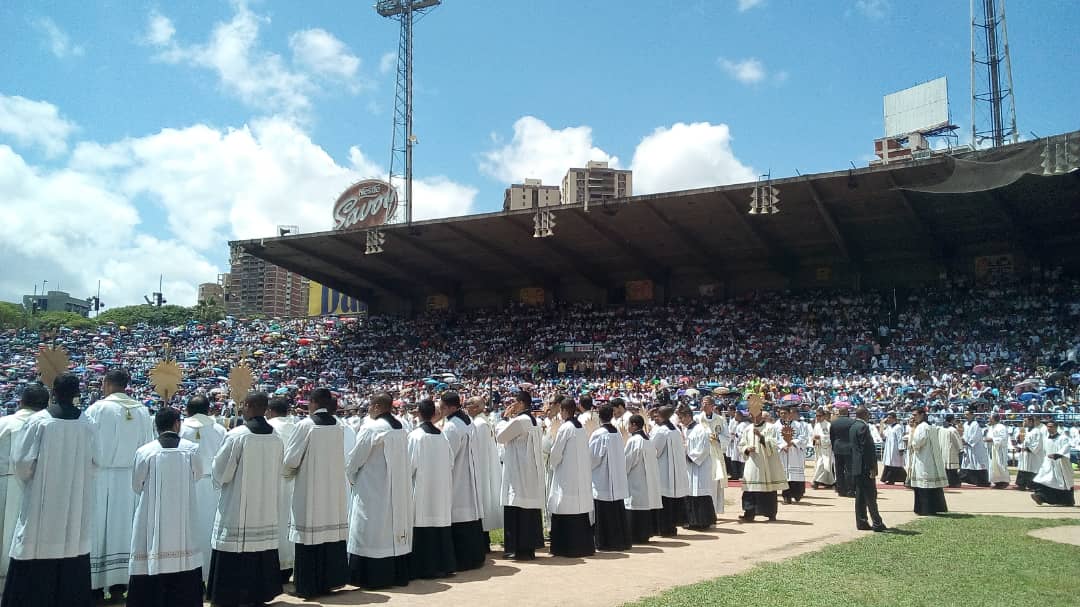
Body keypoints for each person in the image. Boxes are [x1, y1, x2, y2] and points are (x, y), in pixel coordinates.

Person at [0, 374, 96, 607]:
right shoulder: (87, 423)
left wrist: (35, 482)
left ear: (53, 392)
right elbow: (95, 461)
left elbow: (22, 462)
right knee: (72, 542)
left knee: (34, 540)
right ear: (77, 394)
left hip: (42, 497)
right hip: (75, 496)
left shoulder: (40, 421)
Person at [206, 391, 285, 607]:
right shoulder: (276, 436)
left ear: (249, 405)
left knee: (235, 548)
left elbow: (222, 471)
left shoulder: (238, 435)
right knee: (260, 549)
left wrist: (216, 479)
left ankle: (231, 596)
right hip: (265, 504)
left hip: (238, 503)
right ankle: (259, 593)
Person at [84, 368, 154, 600]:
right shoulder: (143, 411)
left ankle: (95, 587)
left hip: (100, 477)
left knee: (99, 530)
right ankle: (120, 586)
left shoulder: (98, 409)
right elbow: (148, 448)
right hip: (131, 480)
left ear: (106, 383)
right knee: (125, 530)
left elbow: (88, 443)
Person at [126, 408, 204, 607]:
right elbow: (197, 475)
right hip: (183, 517)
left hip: (151, 514)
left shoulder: (145, 451)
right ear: (178, 424)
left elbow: (136, 485)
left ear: (155, 426)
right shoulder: (191, 449)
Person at [282, 388, 349, 599]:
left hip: (310, 488)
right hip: (333, 488)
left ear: (313, 402)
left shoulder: (306, 425)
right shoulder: (338, 425)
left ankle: (308, 584)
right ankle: (329, 581)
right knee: (329, 534)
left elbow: (291, 459)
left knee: (309, 533)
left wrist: (286, 475)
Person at [346, 392, 412, 589]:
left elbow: (355, 459)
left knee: (370, 528)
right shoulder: (401, 427)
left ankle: (369, 576)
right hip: (397, 487)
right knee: (392, 527)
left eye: (370, 406)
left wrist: (351, 476)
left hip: (372, 487)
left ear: (376, 406)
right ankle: (396, 573)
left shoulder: (372, 428)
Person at [0, 382, 49, 592]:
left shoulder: (3, 423)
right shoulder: (48, 425)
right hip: (37, 484)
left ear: (20, 401)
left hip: (4, 481)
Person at [177, 394, 226, 583]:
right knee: (210, 529)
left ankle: (189, 575)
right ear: (208, 410)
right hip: (213, 486)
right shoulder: (220, 430)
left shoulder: (180, 428)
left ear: (188, 410)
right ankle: (211, 574)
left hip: (187, 484)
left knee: (189, 528)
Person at [406, 398, 456, 579]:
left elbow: (408, 466)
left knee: (423, 525)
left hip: (422, 489)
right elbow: (451, 461)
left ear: (418, 413)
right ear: (434, 415)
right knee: (440, 527)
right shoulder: (441, 436)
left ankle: (425, 568)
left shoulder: (415, 436)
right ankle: (444, 565)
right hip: (440, 489)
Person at [494, 391, 546, 561]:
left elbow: (501, 437)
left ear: (522, 403)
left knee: (516, 507)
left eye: (514, 402)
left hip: (518, 473)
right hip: (529, 471)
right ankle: (528, 548)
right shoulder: (535, 421)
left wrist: (504, 418)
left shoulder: (520, 421)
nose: (512, 405)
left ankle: (515, 548)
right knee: (528, 511)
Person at [439, 392, 487, 571]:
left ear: (452, 407)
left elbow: (448, 455)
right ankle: (475, 557)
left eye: (443, 407)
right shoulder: (467, 421)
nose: (441, 410)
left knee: (458, 516)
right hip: (469, 474)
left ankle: (462, 560)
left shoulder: (452, 426)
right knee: (469, 517)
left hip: (458, 476)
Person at [547, 398, 595, 558]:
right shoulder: (579, 427)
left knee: (565, 507)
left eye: (561, 410)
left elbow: (556, 452)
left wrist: (551, 461)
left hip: (567, 475)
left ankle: (565, 547)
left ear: (565, 410)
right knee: (578, 509)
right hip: (580, 474)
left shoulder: (565, 428)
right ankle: (583, 546)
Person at [589, 405, 630, 551]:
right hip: (616, 478)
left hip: (603, 478)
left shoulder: (598, 434)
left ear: (599, 416)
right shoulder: (617, 432)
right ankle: (620, 540)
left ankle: (604, 541)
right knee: (616, 511)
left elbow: (594, 457)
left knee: (603, 511)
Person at [265, 396, 297, 583]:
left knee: (274, 522)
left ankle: (275, 564)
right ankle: (290, 563)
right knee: (290, 522)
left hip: (272, 481)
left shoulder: (269, 429)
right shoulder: (296, 427)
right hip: (293, 480)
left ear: (270, 411)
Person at [466, 396, 503, 550]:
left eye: (469, 404)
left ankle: (483, 542)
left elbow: (478, 451)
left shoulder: (479, 424)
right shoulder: (482, 422)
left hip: (481, 470)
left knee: (482, 503)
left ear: (476, 407)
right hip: (485, 468)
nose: (466, 407)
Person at [738, 407, 787, 522]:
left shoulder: (771, 427)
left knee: (768, 489)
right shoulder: (748, 428)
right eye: (750, 415)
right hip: (752, 462)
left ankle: (770, 513)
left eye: (753, 414)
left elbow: (775, 444)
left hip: (766, 464)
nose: (751, 417)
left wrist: (761, 437)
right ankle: (749, 513)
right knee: (750, 488)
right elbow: (741, 444)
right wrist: (747, 448)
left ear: (760, 415)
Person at [623, 414, 662, 544]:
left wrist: (622, 472)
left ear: (634, 425)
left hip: (635, 479)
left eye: (629, 424)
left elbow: (628, 461)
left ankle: (634, 535)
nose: (627, 427)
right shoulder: (647, 440)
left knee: (634, 506)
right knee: (643, 507)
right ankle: (644, 534)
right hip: (647, 481)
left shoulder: (634, 441)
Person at [652, 406, 689, 535]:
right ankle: (672, 526)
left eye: (657, 414)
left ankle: (664, 527)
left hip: (664, 470)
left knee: (664, 501)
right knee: (672, 501)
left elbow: (655, 450)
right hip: (675, 470)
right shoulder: (676, 430)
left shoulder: (662, 431)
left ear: (662, 415)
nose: (655, 417)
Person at [679, 404, 715, 529]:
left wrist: (690, 457)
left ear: (688, 416)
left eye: (682, 417)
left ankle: (704, 521)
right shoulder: (685, 429)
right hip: (689, 467)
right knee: (690, 493)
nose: (681, 420)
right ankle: (693, 521)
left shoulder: (701, 429)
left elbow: (704, 448)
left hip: (700, 466)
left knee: (700, 493)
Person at [850, 407, 886, 532]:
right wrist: (872, 467)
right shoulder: (863, 427)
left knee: (860, 496)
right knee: (870, 495)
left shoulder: (853, 426)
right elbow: (868, 450)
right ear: (865, 414)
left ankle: (861, 521)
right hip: (865, 467)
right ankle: (877, 522)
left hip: (857, 466)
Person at [907, 408, 948, 515]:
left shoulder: (921, 427)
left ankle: (925, 509)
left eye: (915, 415)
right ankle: (933, 508)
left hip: (923, 460)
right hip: (929, 459)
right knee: (931, 486)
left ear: (922, 415)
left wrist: (912, 434)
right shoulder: (930, 426)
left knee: (923, 485)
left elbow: (917, 443)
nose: (913, 417)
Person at [695, 397, 729, 514]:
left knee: (714, 484)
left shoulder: (719, 419)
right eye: (703, 403)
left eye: (707, 404)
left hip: (715, 455)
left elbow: (727, 437)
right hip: (700, 456)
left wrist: (718, 438)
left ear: (712, 406)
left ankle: (713, 511)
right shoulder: (697, 419)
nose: (704, 405)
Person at [1031, 420, 1075, 506]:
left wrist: (1057, 455)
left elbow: (1066, 448)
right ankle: (1040, 496)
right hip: (1049, 464)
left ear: (1056, 427)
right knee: (1042, 479)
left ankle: (1066, 501)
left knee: (1062, 482)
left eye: (1051, 426)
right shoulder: (1046, 438)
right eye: (1048, 426)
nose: (1049, 428)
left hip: (1061, 464)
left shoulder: (1063, 438)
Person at [777, 405, 808, 504]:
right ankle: (786, 496)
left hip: (795, 453)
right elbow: (773, 439)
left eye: (785, 413)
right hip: (782, 453)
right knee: (785, 477)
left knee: (795, 476)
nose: (783, 415)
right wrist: (782, 446)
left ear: (789, 414)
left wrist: (793, 442)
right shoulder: (776, 426)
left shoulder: (798, 425)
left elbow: (803, 437)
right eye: (781, 413)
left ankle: (797, 493)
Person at [830, 406, 856, 497]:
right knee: (849, 470)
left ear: (839, 413)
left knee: (839, 470)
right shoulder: (852, 422)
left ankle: (840, 489)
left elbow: (832, 437)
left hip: (837, 448)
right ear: (847, 412)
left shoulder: (833, 423)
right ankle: (850, 489)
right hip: (849, 448)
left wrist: (834, 447)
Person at [960, 408, 990, 487]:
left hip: (976, 447)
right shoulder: (965, 424)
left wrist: (968, 442)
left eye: (967, 414)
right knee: (968, 463)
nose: (966, 416)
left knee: (978, 463)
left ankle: (982, 481)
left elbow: (975, 436)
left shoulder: (976, 424)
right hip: (967, 447)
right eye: (965, 414)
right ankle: (968, 479)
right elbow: (964, 434)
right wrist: (963, 440)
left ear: (972, 415)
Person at [1015, 416, 1045, 491]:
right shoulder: (1024, 430)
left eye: (1026, 421)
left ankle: (1032, 486)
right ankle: (1021, 484)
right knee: (1023, 467)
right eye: (1024, 421)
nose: (1024, 423)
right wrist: (1019, 444)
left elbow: (1037, 444)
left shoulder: (1037, 431)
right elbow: (1021, 442)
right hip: (1024, 454)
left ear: (1031, 422)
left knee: (1032, 469)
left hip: (1032, 455)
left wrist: (1028, 449)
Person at [879, 412, 907, 485]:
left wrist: (901, 449)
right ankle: (890, 479)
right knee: (890, 464)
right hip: (889, 448)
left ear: (894, 418)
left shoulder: (898, 427)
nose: (888, 419)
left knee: (896, 465)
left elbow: (900, 438)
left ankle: (897, 479)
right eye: (887, 417)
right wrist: (881, 424)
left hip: (895, 449)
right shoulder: (889, 427)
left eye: (889, 417)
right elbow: (883, 436)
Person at [810, 408, 835, 489]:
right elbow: (813, 435)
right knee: (820, 465)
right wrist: (814, 439)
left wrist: (820, 437)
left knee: (823, 465)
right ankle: (828, 482)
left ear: (824, 416)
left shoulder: (828, 425)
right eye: (816, 416)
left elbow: (829, 437)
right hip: (819, 448)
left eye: (820, 416)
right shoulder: (817, 425)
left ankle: (815, 481)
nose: (818, 417)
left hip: (826, 449)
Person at [986, 414, 1011, 489]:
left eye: (990, 418)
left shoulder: (1001, 427)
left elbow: (1003, 438)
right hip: (992, 449)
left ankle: (1004, 481)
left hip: (1000, 449)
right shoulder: (991, 427)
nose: (989, 420)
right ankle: (997, 481)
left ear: (994, 419)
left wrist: (992, 440)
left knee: (1000, 465)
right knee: (993, 466)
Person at [940, 416, 964, 488]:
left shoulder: (941, 429)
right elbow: (957, 440)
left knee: (946, 468)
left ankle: (946, 481)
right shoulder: (952, 430)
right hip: (951, 450)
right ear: (952, 420)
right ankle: (954, 482)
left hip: (943, 450)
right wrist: (960, 449)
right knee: (952, 469)